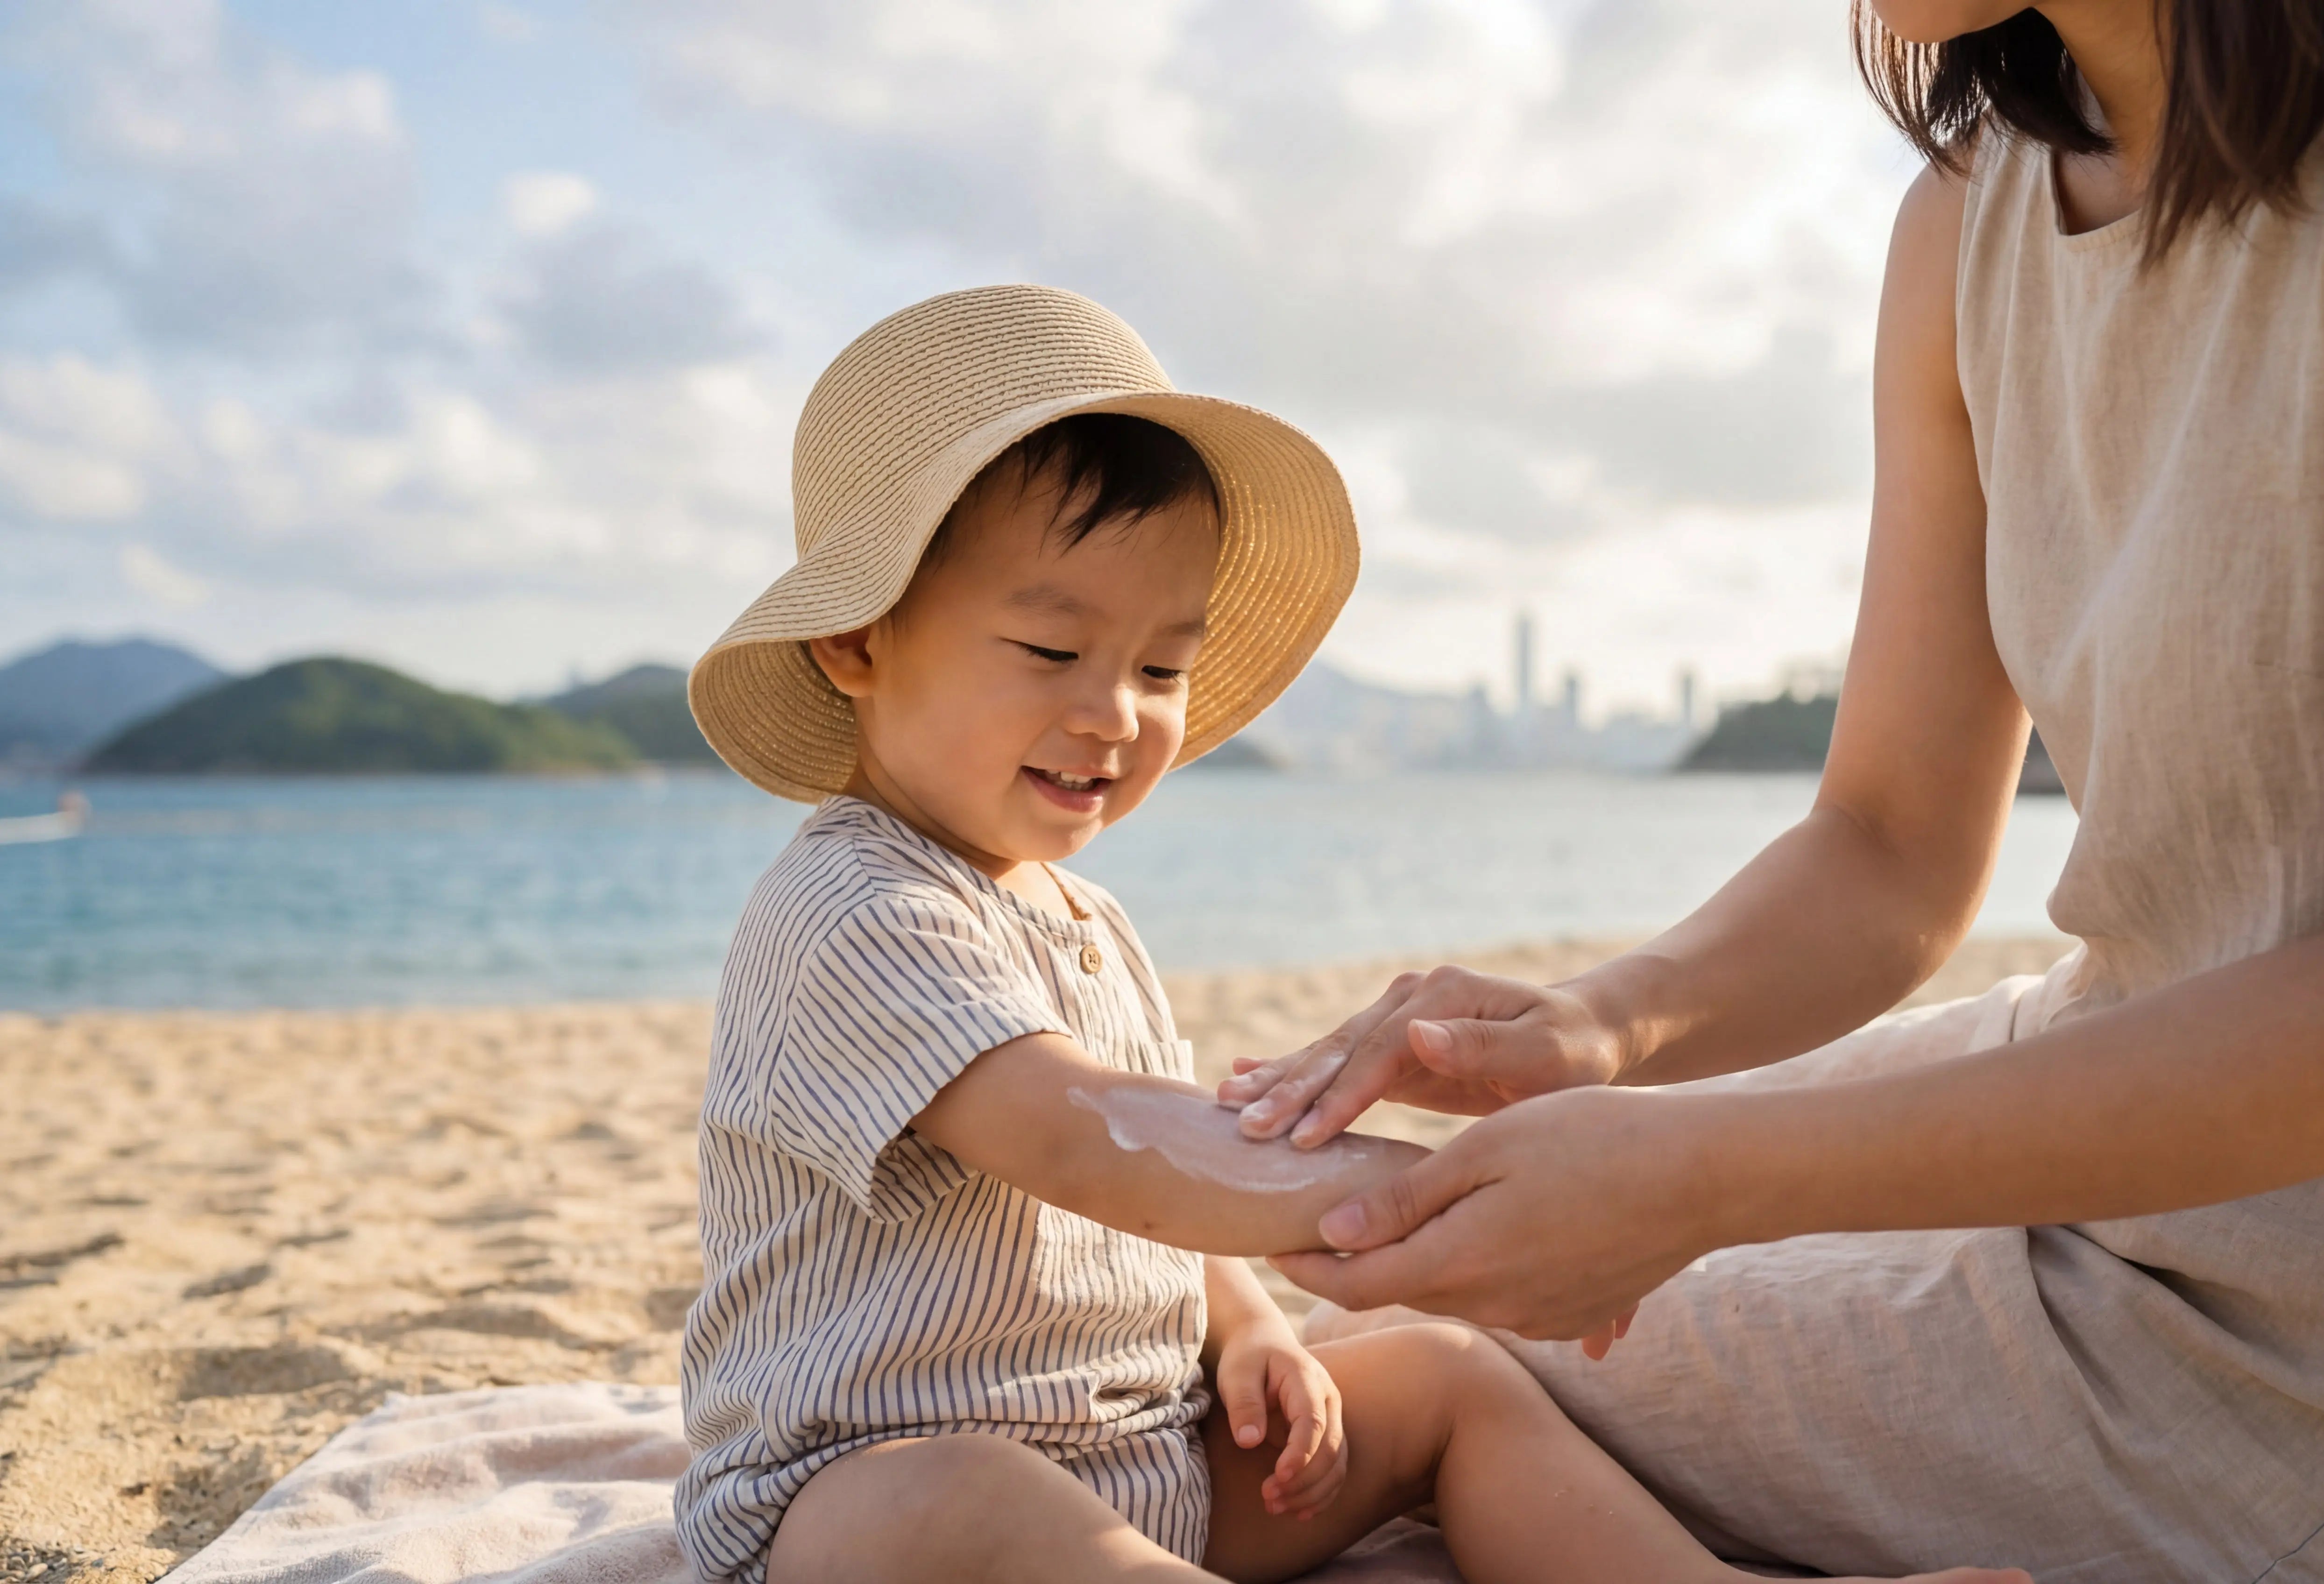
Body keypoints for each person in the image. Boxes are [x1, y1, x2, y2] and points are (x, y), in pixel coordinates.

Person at [1218, 2, 2324, 1579]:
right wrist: (1604, 1029)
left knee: (1437, 1403)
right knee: (1411, 1354)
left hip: (2304, 1328)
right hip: (2079, 1083)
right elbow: (1889, 842)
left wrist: (1707, 1174)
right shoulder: (1970, 220)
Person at [670, 286, 2026, 1584]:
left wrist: (1251, 1326)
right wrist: (1458, 1205)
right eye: (1049, 651)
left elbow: (1160, 1204)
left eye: (1160, 669)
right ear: (856, 640)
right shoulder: (852, 908)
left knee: (1441, 1377)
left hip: (1146, 1464)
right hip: (861, 1501)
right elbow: (1089, 1143)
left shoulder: (1082, 919)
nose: (1116, 714)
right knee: (952, 1507)